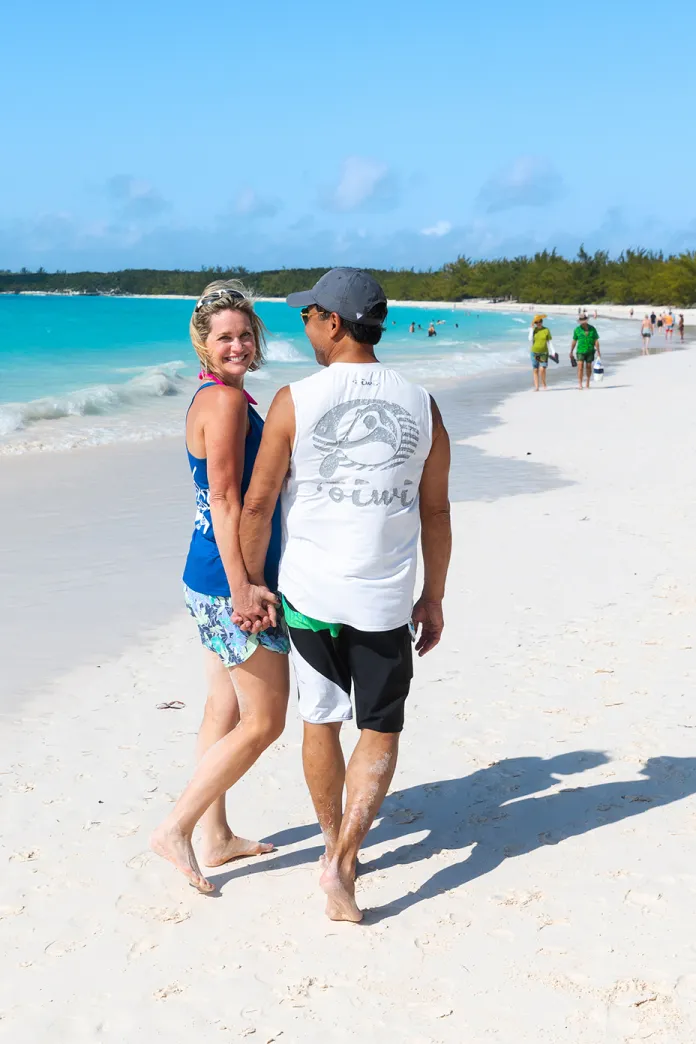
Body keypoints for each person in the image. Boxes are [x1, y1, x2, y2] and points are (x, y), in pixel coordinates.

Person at [236, 268, 452, 922]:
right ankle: (344, 861)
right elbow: (436, 512)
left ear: (334, 321)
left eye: (308, 317)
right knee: (380, 730)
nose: (303, 328)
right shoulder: (422, 404)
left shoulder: (294, 399)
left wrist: (249, 585)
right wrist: (433, 595)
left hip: (309, 595)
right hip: (384, 599)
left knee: (320, 719)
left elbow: (259, 502)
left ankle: (333, 843)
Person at [150, 281, 290, 893]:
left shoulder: (217, 397)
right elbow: (227, 498)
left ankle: (215, 834)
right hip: (226, 579)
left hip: (202, 572)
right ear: (204, 346)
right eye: (224, 337)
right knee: (265, 720)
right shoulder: (227, 405)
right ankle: (176, 827)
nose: (236, 345)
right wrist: (245, 586)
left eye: (243, 334)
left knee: (223, 708)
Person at [570, 313, 601, 389]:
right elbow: (574, 341)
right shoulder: (577, 330)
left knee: (588, 367)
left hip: (590, 350)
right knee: (580, 367)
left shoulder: (592, 329)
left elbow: (596, 340)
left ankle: (587, 381)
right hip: (580, 351)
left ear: (586, 320)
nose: (583, 322)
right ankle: (580, 383)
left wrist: (598, 351)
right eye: (582, 321)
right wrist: (571, 351)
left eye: (584, 320)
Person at [529, 314, 553, 391]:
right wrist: (531, 329)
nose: (539, 323)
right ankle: (536, 387)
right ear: (535, 323)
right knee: (535, 369)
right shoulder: (534, 330)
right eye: (537, 322)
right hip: (534, 352)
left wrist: (553, 351)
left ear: (542, 322)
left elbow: (549, 341)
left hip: (543, 352)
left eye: (540, 321)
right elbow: (530, 339)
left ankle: (543, 383)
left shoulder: (546, 330)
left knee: (542, 369)